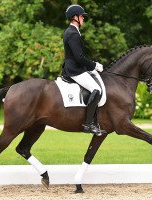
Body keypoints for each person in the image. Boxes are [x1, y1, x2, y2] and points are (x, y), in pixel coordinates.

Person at [62, 4, 106, 136]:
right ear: (75, 17)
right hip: (74, 70)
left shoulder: (72, 31)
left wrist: (91, 66)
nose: (83, 18)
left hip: (75, 68)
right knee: (96, 90)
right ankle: (88, 124)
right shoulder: (73, 33)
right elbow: (79, 57)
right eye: (81, 16)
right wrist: (94, 66)